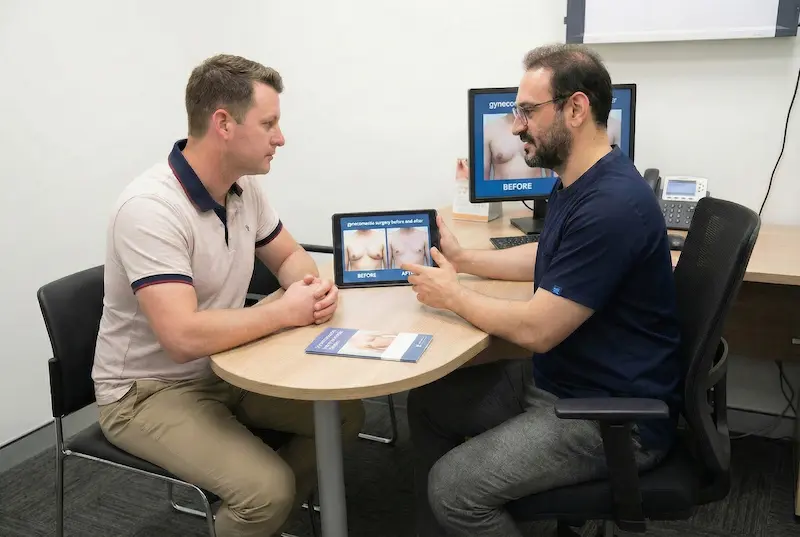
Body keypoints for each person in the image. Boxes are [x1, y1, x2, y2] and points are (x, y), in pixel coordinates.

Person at [401, 43, 682, 537]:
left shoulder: (610, 206)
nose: (514, 126)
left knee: (454, 489)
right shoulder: (579, 180)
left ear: (575, 108)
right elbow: (548, 255)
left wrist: (454, 295)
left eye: (526, 112)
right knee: (428, 402)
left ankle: (466, 515)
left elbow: (537, 329)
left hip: (610, 418)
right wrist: (466, 262)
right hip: (567, 380)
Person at [91, 54, 365, 537]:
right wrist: (283, 313)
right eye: (269, 123)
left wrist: (310, 288)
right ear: (223, 123)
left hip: (225, 364)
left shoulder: (243, 190)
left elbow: (290, 258)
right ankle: (263, 512)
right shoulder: (150, 209)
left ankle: (262, 525)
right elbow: (180, 337)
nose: (281, 138)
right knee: (267, 490)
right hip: (147, 391)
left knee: (343, 415)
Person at [483, 112, 554, 180]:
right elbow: (482, 177)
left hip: (538, 191)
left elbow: (552, 173)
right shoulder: (489, 130)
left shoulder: (540, 127)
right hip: (500, 191)